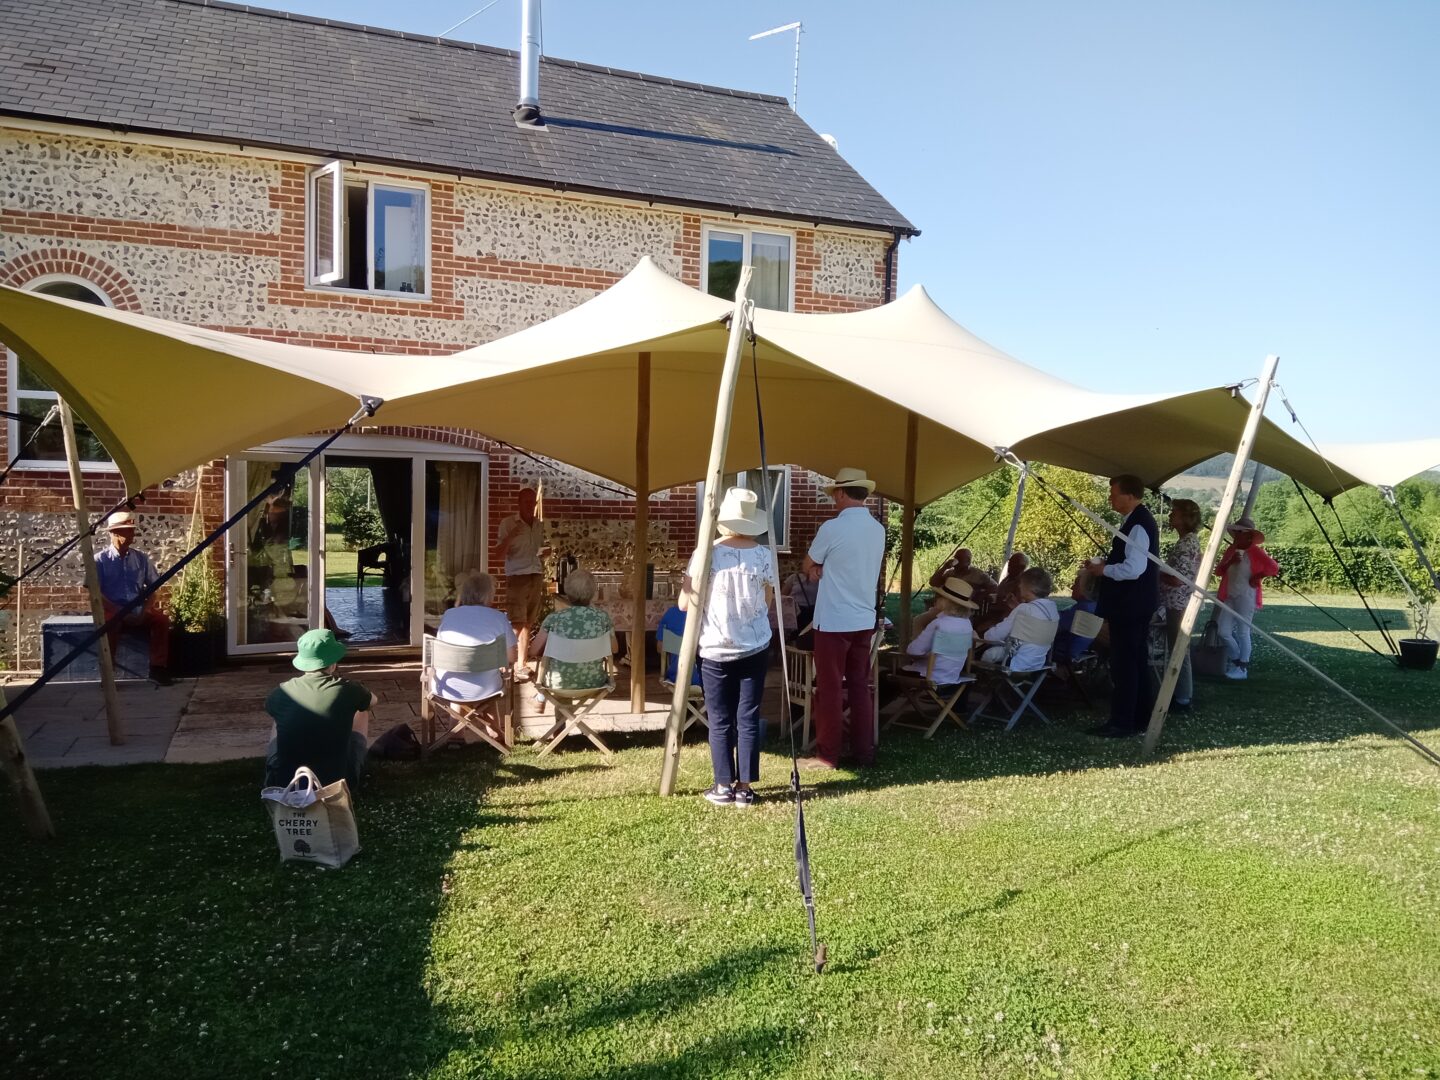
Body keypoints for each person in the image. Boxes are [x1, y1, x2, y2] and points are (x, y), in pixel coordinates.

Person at [682, 488, 778, 807]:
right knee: (748, 715)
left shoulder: (706, 552)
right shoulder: (764, 555)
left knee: (720, 717)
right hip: (755, 644)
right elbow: (767, 599)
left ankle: (723, 785)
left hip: (715, 647)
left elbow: (686, 603)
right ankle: (745, 787)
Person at [799, 467, 885, 769]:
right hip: (863, 617)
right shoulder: (878, 529)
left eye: (836, 493)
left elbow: (809, 562)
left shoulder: (832, 528)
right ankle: (864, 751)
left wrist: (815, 570)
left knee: (830, 687)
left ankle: (828, 754)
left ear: (842, 492)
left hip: (834, 619)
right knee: (860, 686)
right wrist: (823, 568)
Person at [1085, 474, 1160, 737]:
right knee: (1135, 661)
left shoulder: (1139, 525)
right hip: (1136, 604)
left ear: (1129, 496)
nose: (1110, 499)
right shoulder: (1137, 521)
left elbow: (1134, 568)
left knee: (1125, 663)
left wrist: (1104, 570)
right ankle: (1138, 717)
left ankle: (1122, 721)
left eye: (1114, 494)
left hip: (1130, 605)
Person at [264, 628, 376, 790]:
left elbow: (270, 708)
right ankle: (351, 765)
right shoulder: (349, 689)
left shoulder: (281, 692)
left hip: (285, 785)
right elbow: (373, 701)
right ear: (333, 663)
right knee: (362, 709)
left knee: (280, 716)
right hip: (338, 786)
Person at [94, 510, 172, 684]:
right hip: (112, 608)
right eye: (127, 530)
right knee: (108, 625)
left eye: (132, 530)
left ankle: (158, 668)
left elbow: (153, 588)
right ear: (114, 533)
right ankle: (108, 673)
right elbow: (94, 593)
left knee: (161, 621)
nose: (132, 534)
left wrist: (145, 610)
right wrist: (119, 612)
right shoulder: (99, 560)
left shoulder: (141, 559)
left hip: (137, 608)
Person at [1214, 515, 1279, 681]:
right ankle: (1236, 660)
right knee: (1223, 631)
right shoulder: (1231, 550)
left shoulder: (1256, 552)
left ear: (1249, 535)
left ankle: (1242, 667)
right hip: (1230, 594)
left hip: (1247, 595)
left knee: (1243, 631)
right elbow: (1219, 571)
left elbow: (1273, 567)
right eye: (1235, 532)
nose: (1236, 535)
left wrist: (1258, 576)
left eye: (1239, 532)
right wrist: (1230, 562)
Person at [529, 568, 616, 692]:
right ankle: (565, 709)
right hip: (594, 681)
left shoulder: (554, 619)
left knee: (555, 680)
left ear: (567, 592)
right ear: (593, 592)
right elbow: (614, 648)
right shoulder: (603, 618)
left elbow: (533, 651)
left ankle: (545, 699)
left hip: (557, 682)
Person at [435, 571, 516, 702]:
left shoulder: (449, 614)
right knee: (489, 693)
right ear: (489, 594)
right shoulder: (499, 618)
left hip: (447, 687)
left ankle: (458, 722)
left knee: (458, 703)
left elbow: (439, 650)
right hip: (486, 689)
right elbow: (512, 657)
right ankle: (489, 723)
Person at [493, 487, 546, 680]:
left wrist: (543, 553)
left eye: (533, 502)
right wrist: (511, 536)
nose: (530, 506)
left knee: (528, 623)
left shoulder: (539, 525)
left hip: (536, 574)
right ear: (519, 503)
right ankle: (505, 664)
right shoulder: (508, 523)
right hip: (517, 577)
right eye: (526, 502)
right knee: (516, 622)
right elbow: (498, 554)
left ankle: (521, 665)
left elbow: (537, 549)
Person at [1159, 498, 1203, 709]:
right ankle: (1179, 694)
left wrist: (1156, 574)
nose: (1170, 515)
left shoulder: (1187, 543)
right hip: (1179, 602)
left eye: (1174, 512)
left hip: (1179, 604)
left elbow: (1178, 579)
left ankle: (1183, 698)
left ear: (1185, 517)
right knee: (1178, 648)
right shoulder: (1188, 540)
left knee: (1179, 650)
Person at [902, 576, 978, 684]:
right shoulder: (967, 625)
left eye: (938, 596)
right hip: (953, 677)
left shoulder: (938, 624)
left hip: (927, 676)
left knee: (884, 677)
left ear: (944, 601)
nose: (935, 599)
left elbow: (913, 650)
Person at [979, 567, 1059, 669]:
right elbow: (1032, 618)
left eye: (1021, 583)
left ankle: (985, 680)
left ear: (1029, 588)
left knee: (988, 653)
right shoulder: (1053, 610)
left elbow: (996, 635)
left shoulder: (1023, 609)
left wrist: (984, 635)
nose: (1019, 586)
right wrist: (1017, 608)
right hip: (1038, 664)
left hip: (1015, 663)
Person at [912, 548, 996, 637]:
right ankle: (919, 645)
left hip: (963, 612)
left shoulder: (978, 575)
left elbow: (994, 586)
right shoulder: (950, 573)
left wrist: (981, 594)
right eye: (955, 557)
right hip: (942, 609)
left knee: (946, 628)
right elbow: (933, 582)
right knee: (918, 621)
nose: (956, 560)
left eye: (959, 558)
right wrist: (945, 567)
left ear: (968, 561)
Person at [974, 552, 1030, 635]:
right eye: (1009, 562)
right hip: (993, 612)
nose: (1009, 566)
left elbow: (1015, 608)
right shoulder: (1007, 578)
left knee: (980, 629)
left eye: (1013, 564)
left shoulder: (1021, 585)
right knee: (973, 622)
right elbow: (998, 592)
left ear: (1022, 567)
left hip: (1004, 617)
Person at [655, 601, 702, 686]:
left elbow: (660, 648)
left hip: (677, 677)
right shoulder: (707, 614)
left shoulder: (671, 613)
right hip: (709, 680)